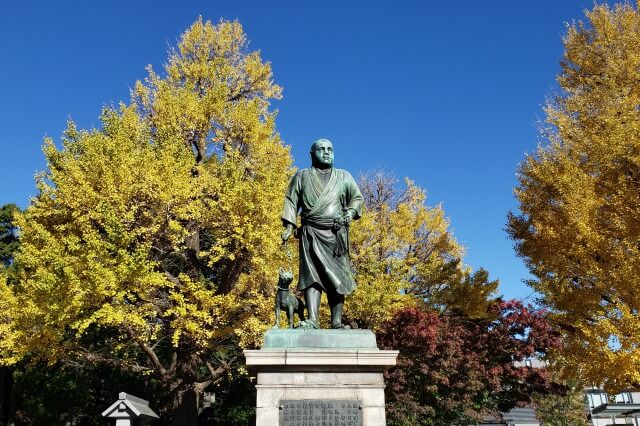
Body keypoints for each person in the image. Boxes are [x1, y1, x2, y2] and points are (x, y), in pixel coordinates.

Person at [281, 139, 363, 329]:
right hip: (310, 232)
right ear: (311, 154)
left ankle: (336, 321)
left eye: (330, 149)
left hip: (336, 233)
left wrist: (349, 213)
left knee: (338, 277)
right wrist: (289, 226)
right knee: (311, 276)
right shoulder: (301, 176)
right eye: (321, 149)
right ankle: (313, 319)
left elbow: (357, 198)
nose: (326, 152)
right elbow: (291, 201)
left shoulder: (344, 177)